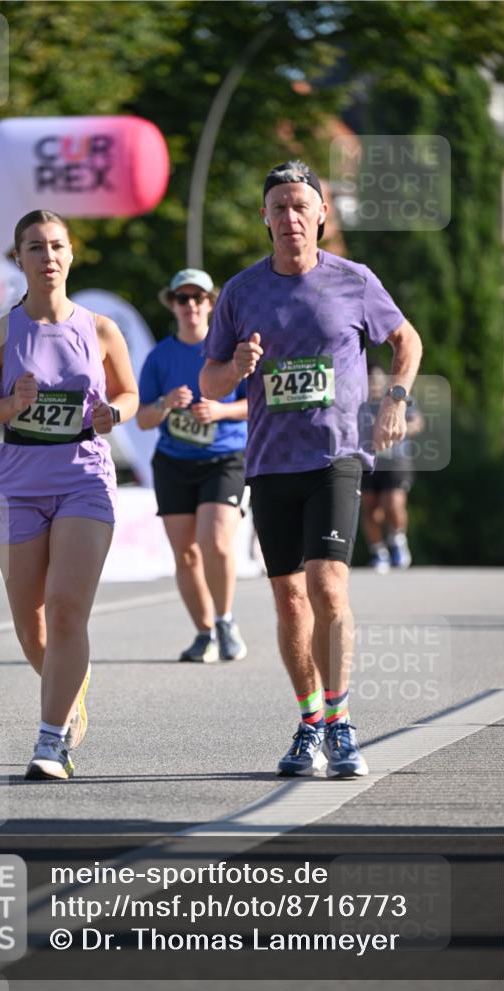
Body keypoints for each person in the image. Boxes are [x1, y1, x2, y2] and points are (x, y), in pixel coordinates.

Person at [200, 160, 423, 779]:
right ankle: (309, 723)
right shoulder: (241, 293)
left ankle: (341, 720)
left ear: (322, 213)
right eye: (279, 207)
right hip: (271, 464)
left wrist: (397, 399)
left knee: (327, 586)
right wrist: (237, 365)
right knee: (291, 602)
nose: (291, 217)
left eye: (302, 206)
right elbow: (210, 378)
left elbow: (406, 341)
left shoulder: (355, 281)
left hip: (337, 455)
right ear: (265, 218)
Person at [0, 209, 138, 781]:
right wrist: (10, 405)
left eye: (57, 246)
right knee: (31, 622)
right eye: (36, 248)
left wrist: (114, 413)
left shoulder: (100, 328)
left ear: (71, 254)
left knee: (65, 610)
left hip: (83, 477)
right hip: (16, 485)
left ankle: (51, 740)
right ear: (20, 259)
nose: (49, 257)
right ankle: (69, 689)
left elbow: (130, 393)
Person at [137, 268, 248, 663]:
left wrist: (219, 410)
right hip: (174, 462)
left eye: (198, 298)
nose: (191, 306)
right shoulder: (159, 357)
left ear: (211, 303)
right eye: (182, 299)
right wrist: (166, 403)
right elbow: (142, 418)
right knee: (185, 553)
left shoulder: (230, 350)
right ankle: (204, 633)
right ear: (173, 305)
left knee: (214, 541)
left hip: (225, 458)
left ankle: (225, 620)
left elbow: (255, 404)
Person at [360, 363, 425, 572]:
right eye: (369, 381)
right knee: (370, 509)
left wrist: (401, 429)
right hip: (369, 461)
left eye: (377, 380)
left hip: (396, 460)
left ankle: (397, 540)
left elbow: (417, 421)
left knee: (393, 503)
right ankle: (379, 552)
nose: (374, 385)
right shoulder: (358, 402)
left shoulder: (397, 397)